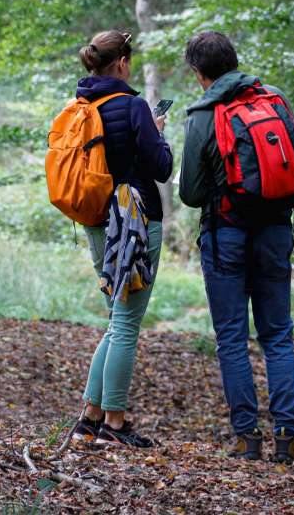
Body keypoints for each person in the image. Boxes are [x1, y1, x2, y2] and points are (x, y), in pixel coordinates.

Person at [179, 31, 294, 464]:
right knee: (278, 335)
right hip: (274, 231)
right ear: (234, 61)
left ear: (198, 74)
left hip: (225, 234)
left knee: (232, 337)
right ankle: (288, 437)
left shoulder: (202, 115)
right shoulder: (274, 98)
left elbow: (191, 195)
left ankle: (247, 437)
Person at [71, 30, 173, 448]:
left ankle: (90, 418)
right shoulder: (132, 107)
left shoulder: (80, 108)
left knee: (116, 320)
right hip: (135, 221)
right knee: (126, 324)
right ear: (124, 63)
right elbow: (162, 168)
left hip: (96, 223)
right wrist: (156, 130)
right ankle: (114, 422)